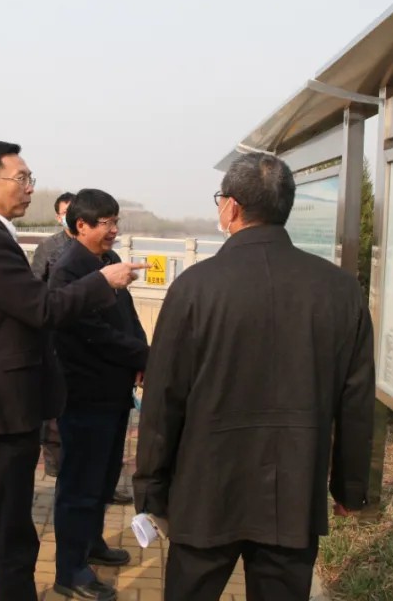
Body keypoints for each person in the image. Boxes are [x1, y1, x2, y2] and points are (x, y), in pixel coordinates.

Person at [133, 152, 376, 601]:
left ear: (232, 207)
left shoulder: (195, 287)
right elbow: (356, 398)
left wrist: (151, 488)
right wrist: (350, 486)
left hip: (205, 488)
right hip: (293, 492)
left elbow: (163, 398)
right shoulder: (340, 289)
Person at [0, 141, 146, 601]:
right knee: (11, 530)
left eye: (29, 179)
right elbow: (42, 308)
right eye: (21, 179)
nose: (30, 188)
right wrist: (102, 282)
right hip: (4, 405)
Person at [50, 189, 148, 601]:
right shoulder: (68, 271)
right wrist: (143, 355)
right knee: (79, 484)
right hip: (84, 395)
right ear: (81, 226)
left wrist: (141, 352)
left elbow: (127, 317)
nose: (114, 230)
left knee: (104, 478)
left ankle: (91, 543)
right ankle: (70, 570)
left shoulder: (109, 261)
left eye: (115, 221)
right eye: (106, 223)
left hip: (113, 391)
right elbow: (93, 334)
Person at [31, 191, 76, 478]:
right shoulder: (48, 248)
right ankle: (54, 462)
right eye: (64, 212)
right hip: (54, 334)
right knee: (54, 404)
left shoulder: (93, 248)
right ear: (58, 216)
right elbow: (35, 288)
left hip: (82, 338)